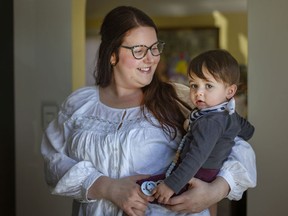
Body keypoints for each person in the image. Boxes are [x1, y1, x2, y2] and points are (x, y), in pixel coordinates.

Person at [41, 6, 256, 216]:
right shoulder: (79, 104)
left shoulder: (180, 98)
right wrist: (106, 187)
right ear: (112, 55)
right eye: (139, 50)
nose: (151, 58)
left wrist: (213, 192)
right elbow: (54, 161)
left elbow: (238, 148)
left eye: (154, 48)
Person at [151, 50, 255, 215]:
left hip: (197, 174)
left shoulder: (209, 122)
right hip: (209, 172)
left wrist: (171, 185)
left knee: (162, 202)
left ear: (230, 91)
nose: (198, 92)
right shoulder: (228, 114)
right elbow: (248, 131)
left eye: (208, 86)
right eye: (193, 85)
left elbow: (196, 156)